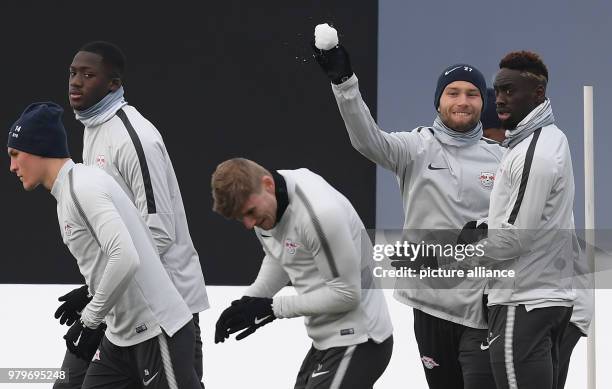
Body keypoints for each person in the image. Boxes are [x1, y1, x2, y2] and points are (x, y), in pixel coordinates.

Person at [312, 32, 502, 388]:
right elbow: (367, 139)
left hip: (482, 309)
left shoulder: (502, 159)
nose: (463, 101)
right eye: (453, 92)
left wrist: (490, 227)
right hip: (429, 303)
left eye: (472, 93)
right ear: (438, 101)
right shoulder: (415, 148)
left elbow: (517, 220)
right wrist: (344, 83)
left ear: (481, 102)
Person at [8, 102, 200, 388]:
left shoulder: (82, 187)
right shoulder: (70, 191)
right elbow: (111, 259)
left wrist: (89, 320)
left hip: (158, 333)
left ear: (39, 150)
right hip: (119, 338)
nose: (12, 166)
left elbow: (125, 258)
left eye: (15, 154)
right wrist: (91, 294)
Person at [54, 41, 209, 388]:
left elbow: (159, 231)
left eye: (88, 74)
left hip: (166, 309)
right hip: (121, 307)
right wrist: (97, 290)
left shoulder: (135, 138)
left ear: (114, 83)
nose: (75, 82)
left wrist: (97, 292)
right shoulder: (94, 128)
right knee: (66, 382)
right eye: (73, 73)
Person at [211, 158, 393, 389]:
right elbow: (281, 256)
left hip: (360, 339)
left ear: (268, 184)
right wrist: (249, 301)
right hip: (325, 340)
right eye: (240, 218)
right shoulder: (267, 201)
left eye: (250, 212)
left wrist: (271, 309)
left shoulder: (319, 214)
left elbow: (347, 294)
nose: (248, 224)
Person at [478, 51, 578, 389]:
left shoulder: (534, 149)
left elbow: (515, 239)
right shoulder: (548, 139)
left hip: (522, 302)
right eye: (498, 91)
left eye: (510, 90)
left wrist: (462, 249)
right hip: (545, 299)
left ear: (538, 94)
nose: (500, 100)